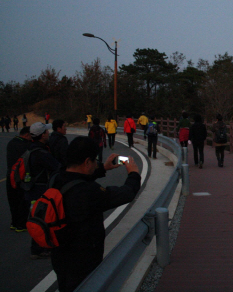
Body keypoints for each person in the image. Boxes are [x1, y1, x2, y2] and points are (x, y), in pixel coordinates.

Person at [50, 136, 141, 292]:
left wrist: (102, 168)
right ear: (87, 162)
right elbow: (126, 193)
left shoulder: (56, 178)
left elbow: (76, 178)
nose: (95, 164)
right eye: (94, 161)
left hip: (59, 255)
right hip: (83, 260)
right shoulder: (88, 192)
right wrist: (133, 174)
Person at [27, 122, 62, 258]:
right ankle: (39, 248)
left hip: (31, 189)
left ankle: (38, 247)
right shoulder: (41, 153)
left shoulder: (30, 149)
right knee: (41, 218)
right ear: (42, 135)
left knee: (36, 217)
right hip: (39, 189)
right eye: (46, 132)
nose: (48, 133)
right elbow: (56, 167)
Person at [6, 126, 32, 232]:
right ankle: (21, 224)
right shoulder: (26, 145)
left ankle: (14, 222)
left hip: (10, 175)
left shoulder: (11, 142)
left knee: (13, 201)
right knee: (22, 200)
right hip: (21, 176)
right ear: (27, 135)